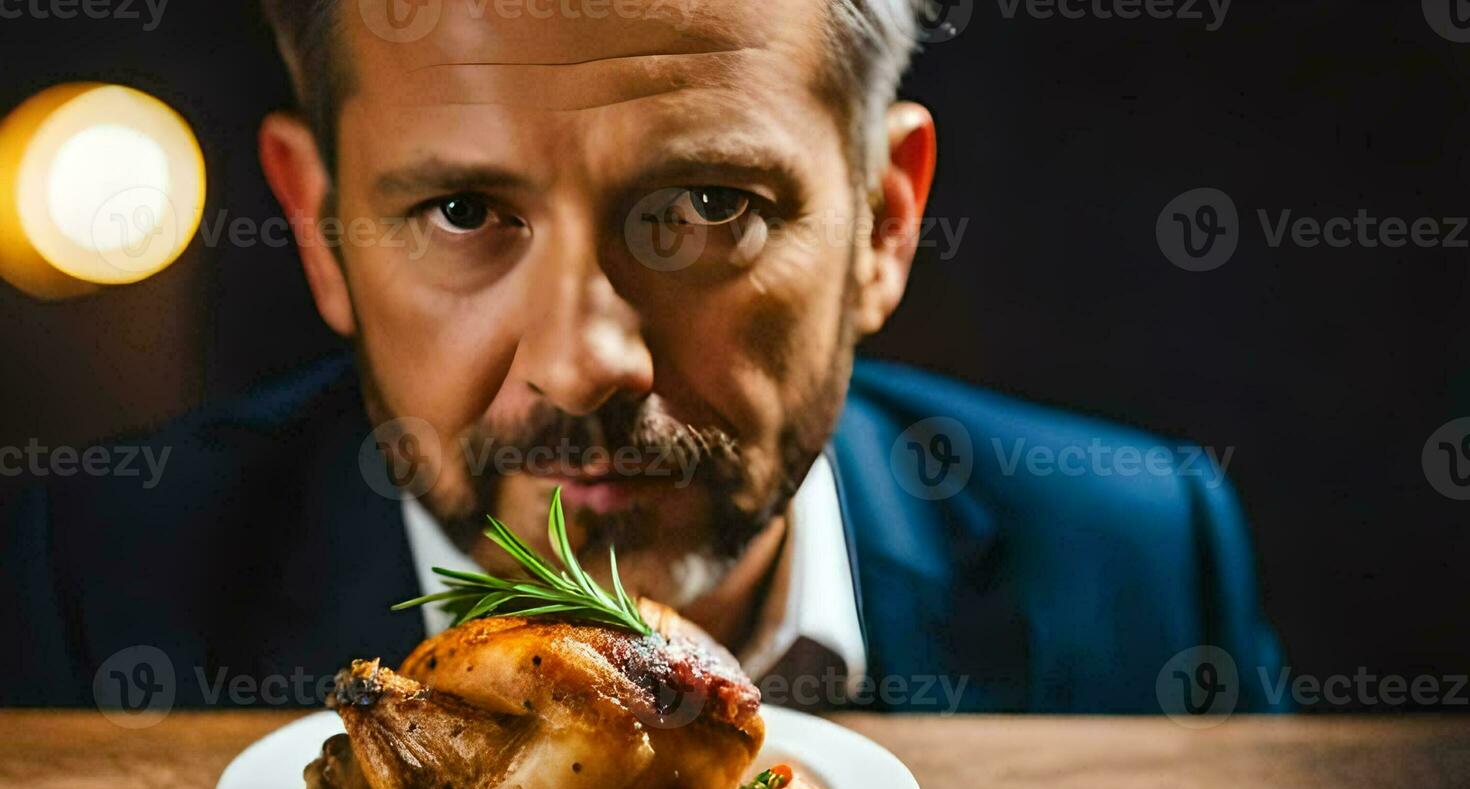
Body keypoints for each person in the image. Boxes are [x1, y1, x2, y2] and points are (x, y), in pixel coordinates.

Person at [1, 0, 1281, 713]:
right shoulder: (84, 582)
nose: (586, 360)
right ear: (320, 230)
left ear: (884, 225)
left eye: (707, 207)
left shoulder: (1145, 564)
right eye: (463, 214)